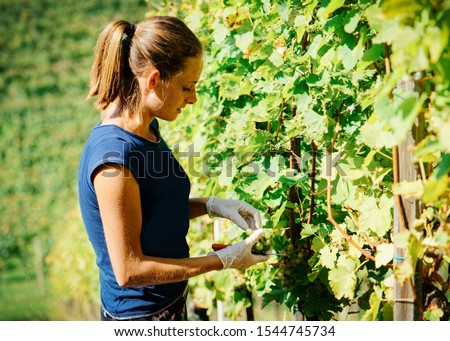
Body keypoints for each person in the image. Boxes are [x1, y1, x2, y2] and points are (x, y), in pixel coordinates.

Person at [77, 16, 268, 321]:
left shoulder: (147, 129)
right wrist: (222, 261)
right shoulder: (114, 160)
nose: (193, 99)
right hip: (139, 318)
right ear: (153, 80)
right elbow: (129, 271)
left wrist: (212, 205)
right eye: (186, 87)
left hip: (168, 301)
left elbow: (154, 206)